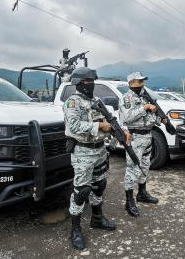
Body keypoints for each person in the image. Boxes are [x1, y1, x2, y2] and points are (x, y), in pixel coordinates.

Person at [63, 67, 118, 250]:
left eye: (92, 81)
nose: (91, 84)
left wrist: (114, 130)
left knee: (99, 186)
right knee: (81, 191)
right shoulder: (73, 102)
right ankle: (76, 228)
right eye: (88, 82)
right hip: (83, 152)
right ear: (79, 83)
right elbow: (74, 126)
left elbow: (107, 124)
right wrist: (98, 126)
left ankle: (97, 218)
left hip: (99, 151)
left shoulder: (97, 101)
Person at [119, 72, 159, 217]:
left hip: (147, 135)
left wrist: (157, 116)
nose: (142, 84)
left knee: (145, 166)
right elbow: (127, 117)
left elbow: (150, 116)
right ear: (131, 83)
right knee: (132, 168)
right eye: (138, 82)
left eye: (142, 81)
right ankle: (129, 201)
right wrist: (145, 108)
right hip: (134, 137)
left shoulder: (145, 97)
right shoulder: (126, 98)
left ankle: (142, 193)